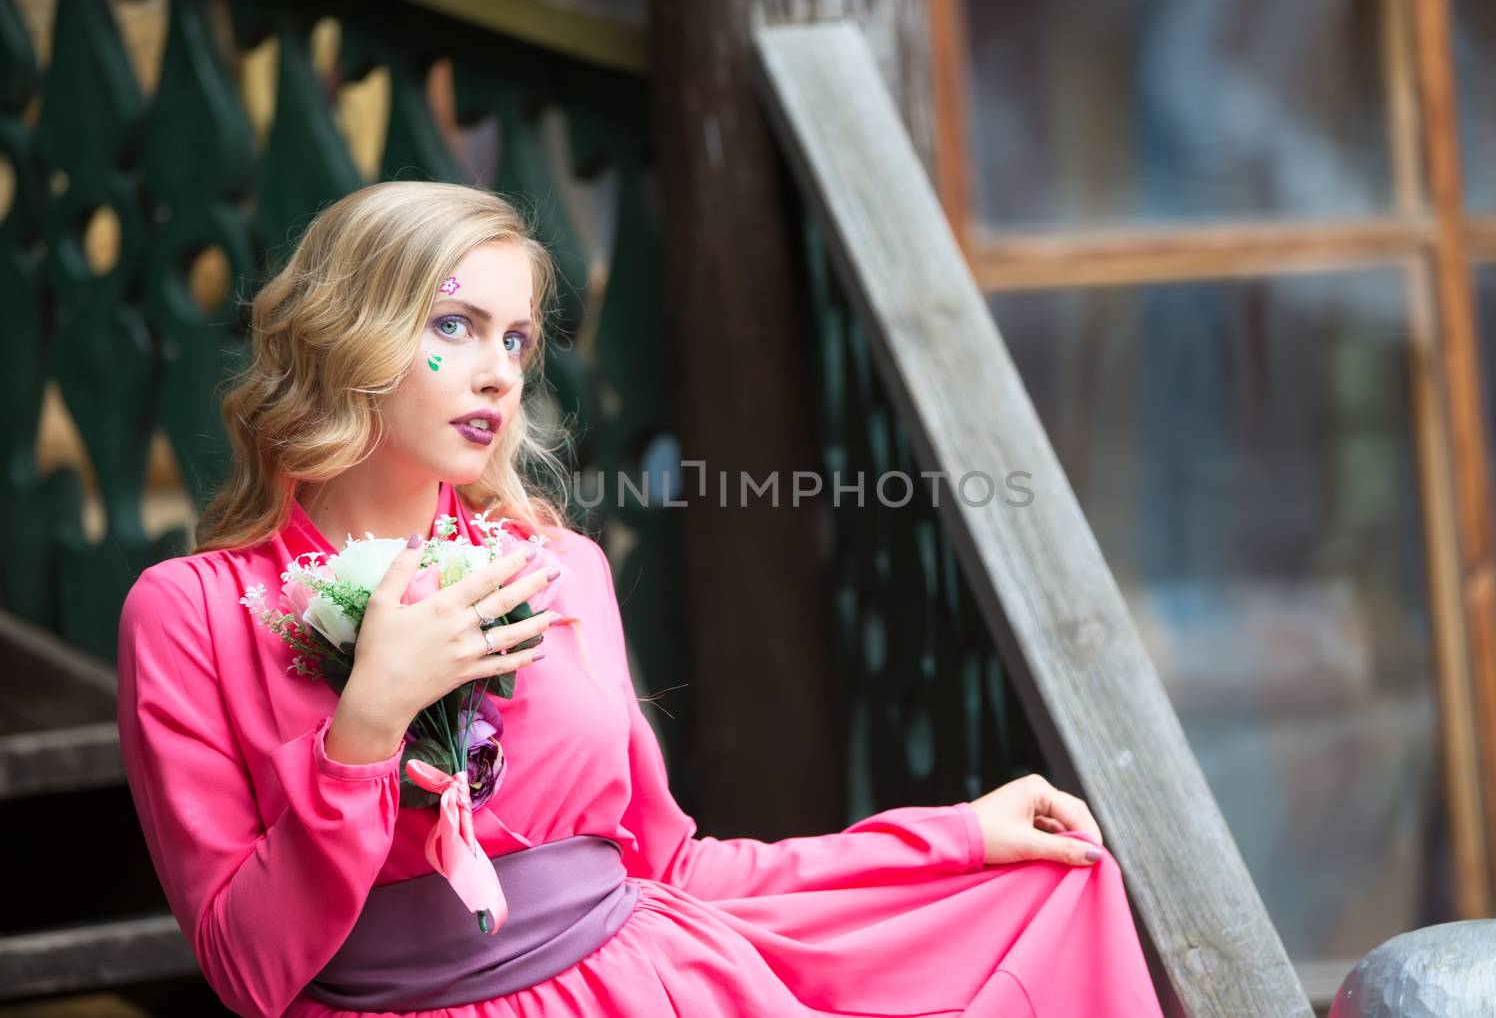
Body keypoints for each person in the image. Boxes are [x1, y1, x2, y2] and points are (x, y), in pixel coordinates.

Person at [116, 180, 1163, 1017]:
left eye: (516, 339)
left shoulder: (561, 570)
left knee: (1034, 906)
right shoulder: (189, 613)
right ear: (350, 334)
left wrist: (954, 835)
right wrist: (368, 725)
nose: (497, 374)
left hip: (656, 986)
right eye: (456, 325)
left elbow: (668, 865)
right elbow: (247, 974)